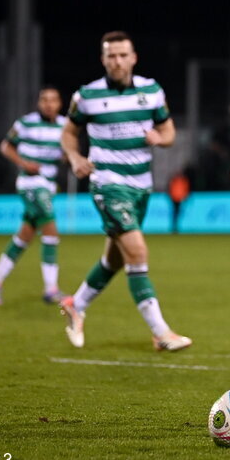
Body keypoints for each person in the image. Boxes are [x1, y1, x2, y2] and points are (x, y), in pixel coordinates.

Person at [58, 31, 191, 352]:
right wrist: (76, 158)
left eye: (122, 55)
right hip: (107, 184)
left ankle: (76, 304)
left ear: (133, 58)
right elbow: (68, 133)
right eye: (111, 56)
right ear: (103, 60)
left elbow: (169, 129)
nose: (117, 61)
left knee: (115, 259)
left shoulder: (151, 90)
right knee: (137, 252)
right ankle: (161, 332)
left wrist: (161, 138)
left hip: (141, 187)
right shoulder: (87, 96)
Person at [0, 86, 67, 305]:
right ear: (39, 103)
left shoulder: (64, 126)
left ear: (59, 104)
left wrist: (70, 158)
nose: (49, 104)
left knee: (24, 237)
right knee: (51, 230)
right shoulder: (25, 123)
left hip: (48, 185)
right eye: (44, 100)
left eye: (53, 100)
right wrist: (23, 163)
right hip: (31, 184)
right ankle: (51, 289)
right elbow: (5, 146)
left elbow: (66, 154)